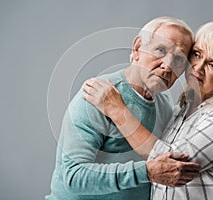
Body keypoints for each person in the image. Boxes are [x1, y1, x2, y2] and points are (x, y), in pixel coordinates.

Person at [83, 21, 213, 199]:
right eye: (197, 55)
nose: (198, 68)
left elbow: (170, 164)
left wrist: (116, 109)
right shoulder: (182, 109)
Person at [46, 16, 201, 200]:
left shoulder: (165, 104)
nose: (167, 66)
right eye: (160, 50)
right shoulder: (96, 96)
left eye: (178, 59)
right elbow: (73, 177)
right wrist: (147, 172)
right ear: (137, 48)